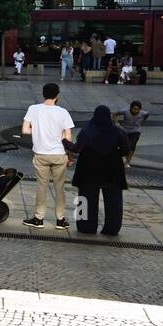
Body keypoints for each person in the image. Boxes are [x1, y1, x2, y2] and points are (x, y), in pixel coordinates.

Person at [22, 82, 75, 230]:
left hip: (41, 154)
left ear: (43, 94)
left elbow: (25, 130)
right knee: (60, 187)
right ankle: (60, 219)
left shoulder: (33, 109)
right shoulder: (63, 112)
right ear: (57, 96)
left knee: (41, 187)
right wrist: (70, 156)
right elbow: (68, 137)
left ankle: (39, 218)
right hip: (59, 154)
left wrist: (39, 131)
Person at [69, 105, 129, 236]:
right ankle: (112, 228)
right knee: (114, 201)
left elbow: (77, 148)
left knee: (85, 198)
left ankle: (86, 227)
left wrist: (64, 142)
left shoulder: (87, 131)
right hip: (112, 169)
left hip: (88, 168)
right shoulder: (118, 131)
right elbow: (125, 150)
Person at [114, 100, 148, 167]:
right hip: (125, 130)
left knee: (132, 146)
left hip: (136, 131)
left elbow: (146, 115)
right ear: (131, 108)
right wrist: (116, 123)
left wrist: (142, 122)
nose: (136, 111)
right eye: (134, 109)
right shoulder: (125, 112)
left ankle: (127, 162)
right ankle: (122, 159)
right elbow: (115, 114)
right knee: (123, 145)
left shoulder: (143, 113)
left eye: (138, 109)